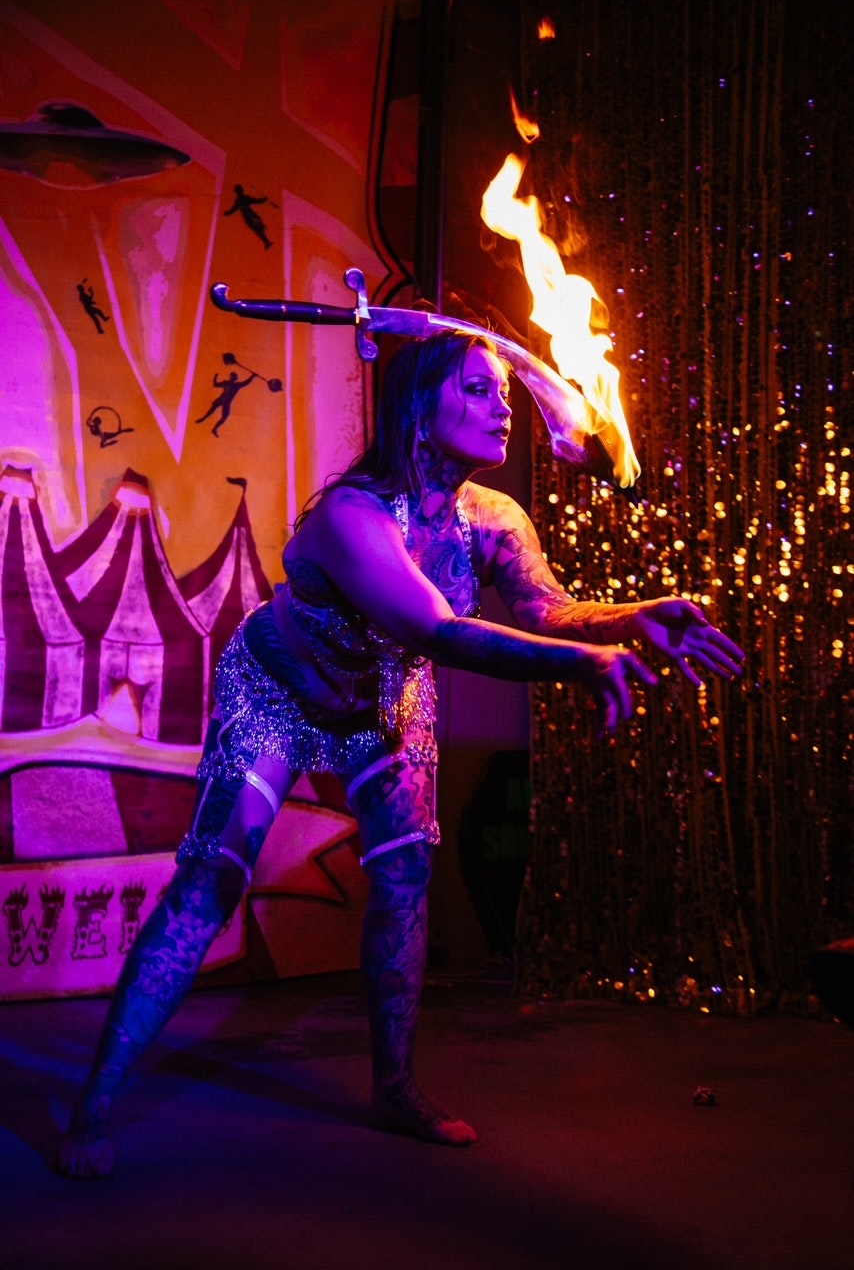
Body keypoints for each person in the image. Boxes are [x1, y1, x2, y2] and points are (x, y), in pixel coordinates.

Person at [57, 330, 744, 1178]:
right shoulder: (350, 514)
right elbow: (434, 630)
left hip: (387, 701)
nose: (504, 410)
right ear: (421, 406)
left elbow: (549, 609)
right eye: (479, 391)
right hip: (278, 693)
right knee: (214, 878)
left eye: (502, 394)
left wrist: (626, 618)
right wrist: (585, 663)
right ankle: (92, 1106)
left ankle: (394, 1086)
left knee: (407, 877)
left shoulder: (493, 520)